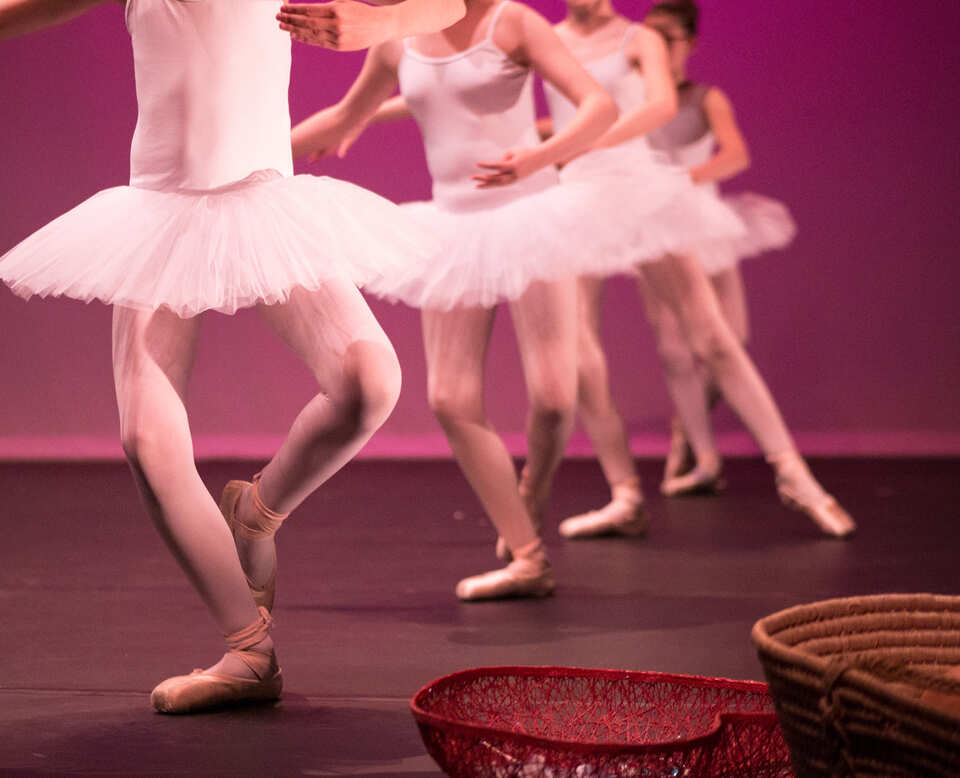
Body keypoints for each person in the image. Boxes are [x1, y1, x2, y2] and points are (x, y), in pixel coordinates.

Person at [0, 0, 465, 713]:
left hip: (262, 205)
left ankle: (257, 512)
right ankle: (249, 649)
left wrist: (380, 23)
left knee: (370, 382)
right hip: (159, 212)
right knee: (147, 439)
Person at [293, 0, 642, 600]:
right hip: (453, 227)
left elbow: (600, 105)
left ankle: (529, 493)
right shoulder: (395, 39)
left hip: (530, 216)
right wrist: (252, 165)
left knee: (557, 397)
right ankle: (529, 557)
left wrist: (536, 158)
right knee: (451, 398)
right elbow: (346, 117)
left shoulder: (511, 22)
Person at [542, 0, 856, 539]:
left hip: (635, 186)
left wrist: (583, 141)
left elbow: (661, 105)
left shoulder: (638, 39)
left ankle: (793, 472)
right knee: (579, 351)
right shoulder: (542, 36)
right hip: (576, 196)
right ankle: (624, 493)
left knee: (712, 336)